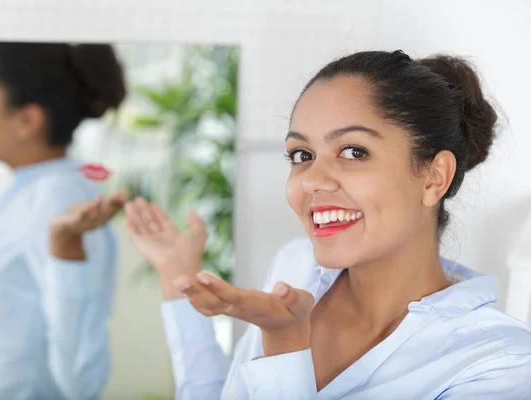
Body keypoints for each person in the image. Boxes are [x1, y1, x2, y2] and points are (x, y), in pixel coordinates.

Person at [120, 50, 531, 399]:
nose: (312, 180)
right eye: (301, 154)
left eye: (353, 151)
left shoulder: (498, 365)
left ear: (434, 177)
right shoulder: (296, 267)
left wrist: (286, 346)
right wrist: (177, 274)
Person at [0, 42, 127, 400]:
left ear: (27, 120)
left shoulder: (59, 198)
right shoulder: (17, 198)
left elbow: (82, 382)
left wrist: (66, 247)